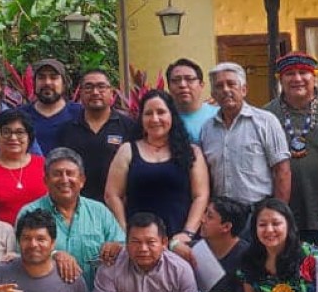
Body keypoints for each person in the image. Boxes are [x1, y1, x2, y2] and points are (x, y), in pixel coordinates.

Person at [265, 52, 318, 243]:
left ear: (315, 77)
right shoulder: (267, 115)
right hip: (283, 214)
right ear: (280, 79)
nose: (297, 79)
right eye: (289, 73)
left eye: (303, 72)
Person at [105, 89, 207, 247]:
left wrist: (188, 232)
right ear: (141, 118)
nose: (155, 119)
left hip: (180, 241)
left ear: (172, 115)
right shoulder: (127, 150)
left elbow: (201, 195)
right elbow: (112, 194)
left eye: (161, 112)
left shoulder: (191, 151)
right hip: (139, 242)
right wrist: (125, 231)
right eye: (148, 113)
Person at [17, 150, 125, 286]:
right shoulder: (29, 212)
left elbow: (123, 246)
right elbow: (18, 254)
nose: (64, 179)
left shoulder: (99, 211)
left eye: (70, 173)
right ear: (46, 180)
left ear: (82, 180)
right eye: (57, 174)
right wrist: (53, 254)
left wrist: (116, 247)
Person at [199, 62, 292, 208]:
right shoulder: (207, 129)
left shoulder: (266, 121)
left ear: (244, 90)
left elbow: (282, 170)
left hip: (257, 210)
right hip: (221, 214)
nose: (225, 90)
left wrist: (278, 212)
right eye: (219, 86)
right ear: (213, 95)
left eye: (231, 84)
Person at [93, 214, 201, 292]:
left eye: (151, 242)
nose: (143, 249)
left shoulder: (181, 270)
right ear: (126, 243)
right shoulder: (111, 265)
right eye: (136, 242)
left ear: (164, 243)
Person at [224, 198, 316, 292]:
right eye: (262, 225)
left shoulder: (311, 256)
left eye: (276, 223)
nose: (269, 230)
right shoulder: (248, 259)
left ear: (289, 225)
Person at [61, 68, 135, 202]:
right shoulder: (67, 129)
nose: (95, 92)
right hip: (78, 206)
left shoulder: (128, 127)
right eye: (89, 87)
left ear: (111, 93)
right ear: (81, 93)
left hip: (117, 205)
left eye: (101, 87)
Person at [0, 109, 48, 224]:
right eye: (6, 132)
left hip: (38, 238)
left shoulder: (45, 166)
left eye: (20, 132)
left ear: (29, 137)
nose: (13, 138)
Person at [174, 196, 248, 292]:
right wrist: (174, 245)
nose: (202, 219)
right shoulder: (196, 247)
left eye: (209, 216)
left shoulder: (247, 256)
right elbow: (173, 244)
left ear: (226, 227)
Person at [24, 57, 79, 153]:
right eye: (41, 77)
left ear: (64, 83)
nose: (47, 82)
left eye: (53, 77)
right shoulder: (20, 116)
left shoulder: (80, 114)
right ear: (34, 83)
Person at [165, 58, 217, 139]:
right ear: (169, 87)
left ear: (201, 85)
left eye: (189, 79)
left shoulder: (219, 115)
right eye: (176, 80)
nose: (182, 85)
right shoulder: (162, 119)